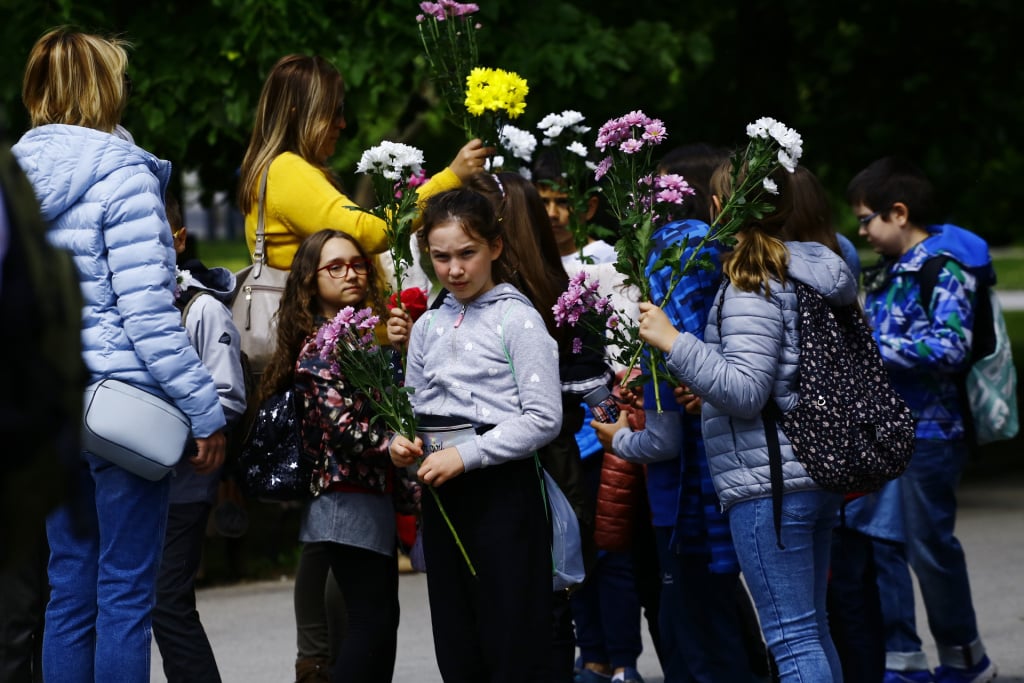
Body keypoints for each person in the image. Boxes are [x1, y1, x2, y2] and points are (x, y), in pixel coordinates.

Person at [11, 28, 226, 682]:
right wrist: (205, 409)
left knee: (68, 590)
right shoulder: (126, 178)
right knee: (126, 593)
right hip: (121, 410)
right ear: (106, 88)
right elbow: (149, 319)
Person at [635, 160, 857, 681]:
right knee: (812, 628)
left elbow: (744, 391)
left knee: (793, 637)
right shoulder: (815, 270)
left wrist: (673, 340)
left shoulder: (751, 284)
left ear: (720, 209)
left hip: (771, 482)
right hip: (814, 468)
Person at [591, 144, 762, 683]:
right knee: (726, 617)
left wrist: (618, 438)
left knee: (694, 631)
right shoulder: (734, 257)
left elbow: (664, 424)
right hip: (731, 474)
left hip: (685, 488)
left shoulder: (675, 255)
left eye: (653, 188)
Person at [388, 188, 563, 682]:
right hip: (443, 496)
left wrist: (469, 455)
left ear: (496, 247)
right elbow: (411, 408)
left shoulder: (518, 318)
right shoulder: (427, 328)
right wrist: (401, 443)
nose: (454, 269)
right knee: (457, 639)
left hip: (503, 492)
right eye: (441, 258)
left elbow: (544, 417)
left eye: (467, 254)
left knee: (511, 637)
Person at [847, 156, 997, 683]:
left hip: (931, 433)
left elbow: (949, 346)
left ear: (900, 213)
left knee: (930, 550)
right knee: (883, 544)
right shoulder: (893, 271)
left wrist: (869, 347)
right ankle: (902, 660)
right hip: (889, 432)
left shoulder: (943, 267)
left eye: (867, 219)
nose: (861, 230)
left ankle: (966, 659)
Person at [257, 228, 413, 683]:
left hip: (370, 493)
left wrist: (400, 347)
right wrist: (390, 445)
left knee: (378, 624)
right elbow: (340, 425)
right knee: (370, 625)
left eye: (358, 263)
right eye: (336, 267)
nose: (351, 273)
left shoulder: (360, 339)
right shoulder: (321, 348)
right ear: (310, 279)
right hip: (344, 495)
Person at [237, 53, 491, 270]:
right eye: (333, 112)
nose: (342, 123)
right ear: (298, 116)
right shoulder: (286, 170)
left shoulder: (285, 170)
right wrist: (451, 178)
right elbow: (364, 233)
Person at [152, 191, 247, 683]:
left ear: (179, 238)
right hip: (135, 476)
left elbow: (228, 395)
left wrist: (171, 423)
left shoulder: (202, 309)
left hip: (184, 479)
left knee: (167, 601)